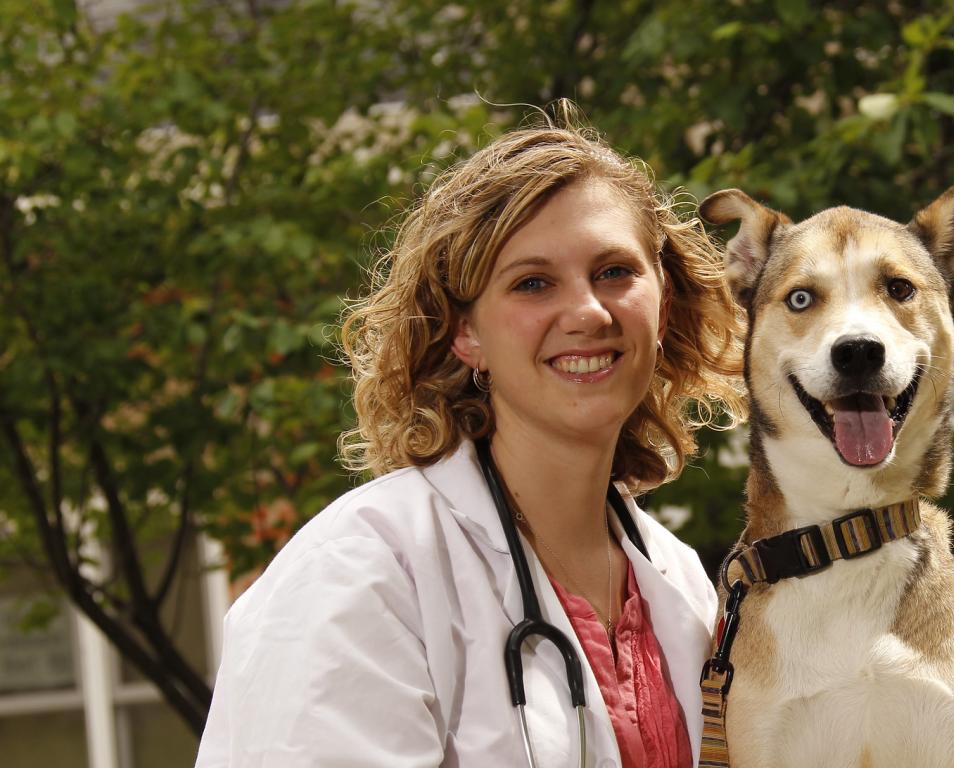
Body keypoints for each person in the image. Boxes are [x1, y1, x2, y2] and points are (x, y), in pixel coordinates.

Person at [194, 108, 745, 767]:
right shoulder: (364, 572)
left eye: (614, 272)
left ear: (663, 306)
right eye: (532, 283)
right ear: (466, 333)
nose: (589, 312)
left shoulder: (680, 582)